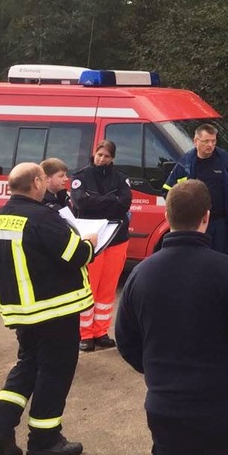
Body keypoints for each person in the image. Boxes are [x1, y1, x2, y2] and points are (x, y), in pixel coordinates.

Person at [115, 180, 228, 455]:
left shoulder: (141, 274)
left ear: (167, 215)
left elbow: (126, 340)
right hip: (224, 408)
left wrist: (159, 375)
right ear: (206, 217)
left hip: (165, 408)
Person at [0, 162, 97, 455]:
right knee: (55, 372)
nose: (46, 183)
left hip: (22, 312)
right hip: (54, 309)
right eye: (44, 179)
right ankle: (44, 440)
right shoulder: (43, 217)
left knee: (27, 367)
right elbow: (76, 255)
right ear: (35, 183)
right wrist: (91, 243)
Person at [69, 140, 131, 352]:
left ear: (112, 158)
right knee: (89, 287)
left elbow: (124, 203)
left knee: (107, 289)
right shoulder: (80, 177)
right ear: (94, 154)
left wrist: (97, 200)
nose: (102, 159)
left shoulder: (121, 177)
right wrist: (110, 200)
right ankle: (85, 335)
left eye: (106, 156)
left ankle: (100, 332)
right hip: (91, 239)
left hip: (117, 239)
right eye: (99, 154)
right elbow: (80, 203)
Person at [163, 123, 228, 253]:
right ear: (196, 141)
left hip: (219, 221)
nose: (210, 145)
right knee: (195, 257)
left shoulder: (224, 159)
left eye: (213, 141)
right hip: (195, 222)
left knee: (220, 259)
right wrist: (184, 213)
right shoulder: (186, 162)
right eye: (206, 141)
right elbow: (167, 190)